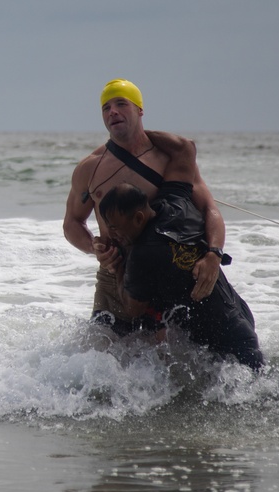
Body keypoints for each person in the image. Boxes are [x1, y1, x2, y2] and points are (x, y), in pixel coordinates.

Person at [64, 79, 226, 330]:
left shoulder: (167, 157)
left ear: (140, 110)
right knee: (103, 360)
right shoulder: (90, 168)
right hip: (117, 274)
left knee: (177, 361)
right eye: (106, 108)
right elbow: (72, 223)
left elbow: (209, 209)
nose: (112, 111)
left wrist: (214, 255)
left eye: (121, 103)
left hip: (172, 268)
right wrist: (93, 248)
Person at [96, 135, 263, 370]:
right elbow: (185, 149)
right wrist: (137, 133)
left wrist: (118, 266)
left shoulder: (141, 255)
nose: (113, 235)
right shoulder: (176, 204)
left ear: (138, 218)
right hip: (241, 317)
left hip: (216, 342)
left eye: (115, 227)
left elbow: (132, 309)